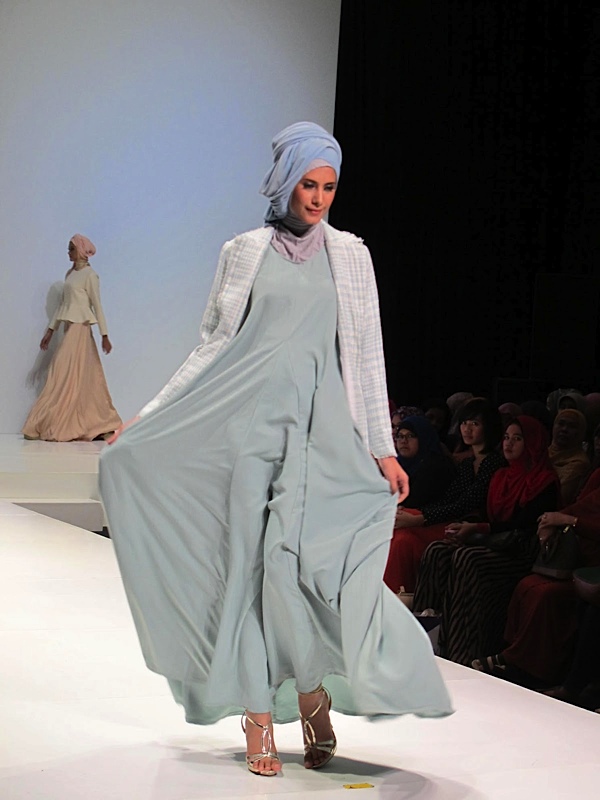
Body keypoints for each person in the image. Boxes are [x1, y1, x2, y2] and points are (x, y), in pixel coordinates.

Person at [99, 122, 452, 778]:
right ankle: (258, 713)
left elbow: (365, 353)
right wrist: (148, 417)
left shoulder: (350, 255)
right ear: (284, 182)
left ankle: (312, 691)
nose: (317, 198)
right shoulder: (243, 251)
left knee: (297, 573)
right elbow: (212, 344)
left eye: (329, 187)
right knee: (244, 569)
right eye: (307, 184)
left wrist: (382, 447)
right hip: (243, 425)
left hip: (316, 432)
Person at [413, 415, 560, 666]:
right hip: (495, 542)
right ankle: (422, 641)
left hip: (522, 550)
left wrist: (479, 528)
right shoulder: (502, 475)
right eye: (506, 437)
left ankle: (460, 653)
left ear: (533, 443)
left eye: (517, 438)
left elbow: (525, 524)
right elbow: (485, 513)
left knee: (466, 558)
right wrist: (466, 527)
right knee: (437, 549)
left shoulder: (543, 480)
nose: (509, 443)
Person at [474, 469, 600, 688]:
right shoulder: (597, 475)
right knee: (527, 585)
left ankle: (532, 670)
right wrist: (551, 521)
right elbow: (579, 506)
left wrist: (571, 521)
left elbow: (576, 517)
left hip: (591, 569)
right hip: (576, 560)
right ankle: (514, 656)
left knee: (545, 594)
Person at [383, 397, 505, 594]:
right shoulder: (468, 464)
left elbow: (466, 503)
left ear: (489, 427)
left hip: (474, 526)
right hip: (453, 521)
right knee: (399, 529)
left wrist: (421, 518)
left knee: (403, 537)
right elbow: (449, 500)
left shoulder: (493, 464)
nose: (467, 429)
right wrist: (415, 514)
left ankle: (400, 596)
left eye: (474, 424)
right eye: (464, 423)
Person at [22, 234, 122, 442]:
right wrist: (50, 331)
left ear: (81, 251)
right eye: (68, 249)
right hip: (69, 328)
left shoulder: (90, 276)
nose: (68, 252)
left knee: (65, 371)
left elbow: (97, 305)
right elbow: (63, 305)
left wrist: (104, 334)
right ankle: (87, 421)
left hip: (81, 329)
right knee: (76, 375)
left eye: (71, 249)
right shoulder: (70, 274)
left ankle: (97, 422)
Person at [392, 414, 455, 510]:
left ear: (423, 438)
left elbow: (413, 502)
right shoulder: (398, 463)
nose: (403, 441)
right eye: (400, 436)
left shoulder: (435, 466)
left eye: (410, 436)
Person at [548, 408, 591, 505]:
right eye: (561, 423)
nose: (564, 429)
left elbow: (560, 497)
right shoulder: (544, 453)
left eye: (572, 426)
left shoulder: (579, 463)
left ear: (580, 432)